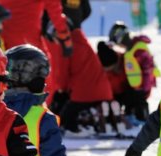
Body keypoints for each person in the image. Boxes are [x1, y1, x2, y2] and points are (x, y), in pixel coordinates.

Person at [42, 0, 113, 132]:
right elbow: (87, 10)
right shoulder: (83, 41)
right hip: (105, 90)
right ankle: (99, 115)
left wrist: (61, 90)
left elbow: (61, 76)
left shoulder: (64, 48)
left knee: (63, 116)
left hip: (83, 93)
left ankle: (77, 126)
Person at [0, 0, 73, 96]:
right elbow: (54, 7)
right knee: (44, 78)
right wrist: (63, 34)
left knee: (8, 78)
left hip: (5, 39)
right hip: (29, 39)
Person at [107, 21, 160, 126]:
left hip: (143, 85)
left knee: (138, 101)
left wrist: (145, 86)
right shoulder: (129, 50)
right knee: (129, 99)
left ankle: (142, 119)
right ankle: (129, 115)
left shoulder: (138, 49)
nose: (119, 46)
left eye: (118, 43)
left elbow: (147, 68)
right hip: (134, 85)